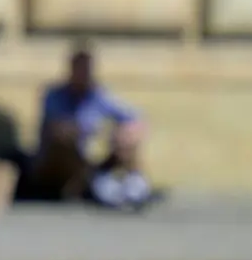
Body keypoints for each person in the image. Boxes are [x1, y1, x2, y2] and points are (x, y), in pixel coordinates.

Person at [15, 44, 155, 210]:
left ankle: (134, 184)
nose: (82, 74)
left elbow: (134, 117)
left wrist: (121, 134)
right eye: (79, 69)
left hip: (91, 155)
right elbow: (58, 129)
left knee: (127, 134)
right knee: (65, 141)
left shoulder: (99, 95)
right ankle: (89, 185)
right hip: (54, 162)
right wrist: (90, 131)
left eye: (86, 70)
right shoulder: (54, 95)